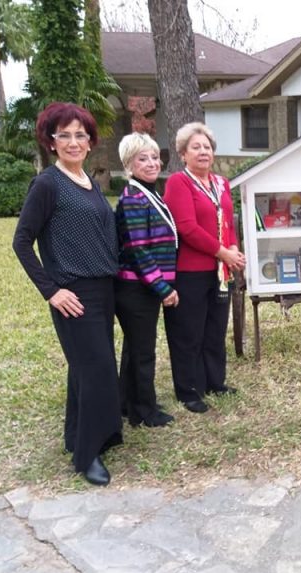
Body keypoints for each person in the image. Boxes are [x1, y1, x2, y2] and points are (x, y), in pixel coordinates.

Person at [12, 102, 122, 486]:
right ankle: (86, 455)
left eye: (81, 135)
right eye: (65, 135)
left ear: (90, 142)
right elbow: (22, 242)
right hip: (72, 293)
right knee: (97, 371)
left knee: (87, 369)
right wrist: (52, 291)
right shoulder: (47, 184)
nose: (74, 142)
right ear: (51, 141)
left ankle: (78, 435)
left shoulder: (90, 182)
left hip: (103, 289)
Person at [163, 122, 245, 413]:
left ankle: (215, 381)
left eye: (207, 147)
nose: (203, 152)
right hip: (190, 270)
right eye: (195, 147)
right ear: (183, 154)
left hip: (220, 271)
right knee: (189, 331)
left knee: (215, 328)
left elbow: (228, 222)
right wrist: (224, 252)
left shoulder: (222, 183)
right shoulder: (178, 183)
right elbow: (186, 228)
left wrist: (233, 249)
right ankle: (188, 389)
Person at [114, 133, 178, 428]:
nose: (152, 163)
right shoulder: (133, 198)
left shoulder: (148, 192)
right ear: (129, 164)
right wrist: (162, 288)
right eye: (143, 158)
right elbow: (138, 249)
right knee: (143, 352)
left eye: (154, 157)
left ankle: (127, 402)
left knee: (134, 348)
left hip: (142, 286)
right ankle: (145, 411)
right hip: (137, 287)